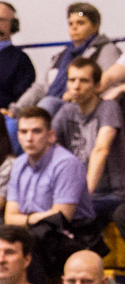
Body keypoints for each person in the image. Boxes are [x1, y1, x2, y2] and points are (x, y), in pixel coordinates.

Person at [6, 107, 95, 284]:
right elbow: (9, 216)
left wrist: (26, 220)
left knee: (34, 240)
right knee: (0, 238)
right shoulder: (18, 164)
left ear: (51, 135)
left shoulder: (66, 163)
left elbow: (60, 217)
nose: (29, 138)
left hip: (76, 236)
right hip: (36, 232)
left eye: (36, 131)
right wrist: (33, 218)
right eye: (23, 132)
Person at [52, 59, 124, 222]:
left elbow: (101, 150)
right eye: (72, 80)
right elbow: (48, 146)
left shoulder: (108, 107)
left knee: (68, 215)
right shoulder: (67, 111)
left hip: (110, 194)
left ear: (98, 86)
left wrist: (82, 196)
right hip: (77, 193)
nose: (76, 86)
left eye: (84, 81)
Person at [26, 4, 118, 113]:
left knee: (47, 105)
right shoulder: (61, 56)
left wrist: (75, 94)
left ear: (95, 26)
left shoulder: (106, 50)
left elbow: (109, 84)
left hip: (84, 107)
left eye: (80, 23)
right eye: (70, 24)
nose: (74, 28)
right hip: (55, 104)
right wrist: (15, 110)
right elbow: (41, 87)